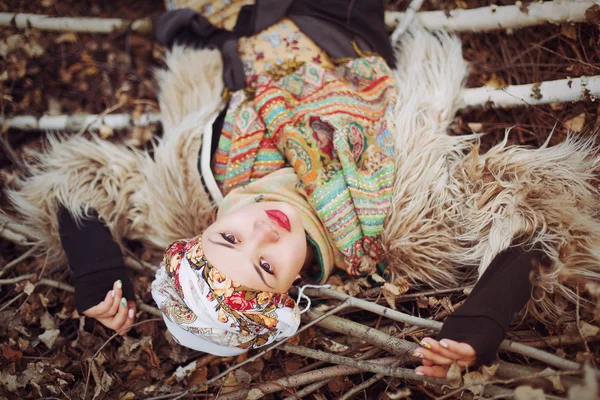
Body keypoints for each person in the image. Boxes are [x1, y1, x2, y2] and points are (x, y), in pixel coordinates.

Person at [7, 0, 600, 379]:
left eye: (229, 237)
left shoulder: (184, 193)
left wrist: (95, 268)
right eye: (265, 267)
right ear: (290, 295)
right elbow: (540, 215)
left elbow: (78, 177)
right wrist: (483, 319)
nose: (264, 230)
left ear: (202, 230)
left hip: (229, 36)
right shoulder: (393, 230)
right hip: (336, 26)